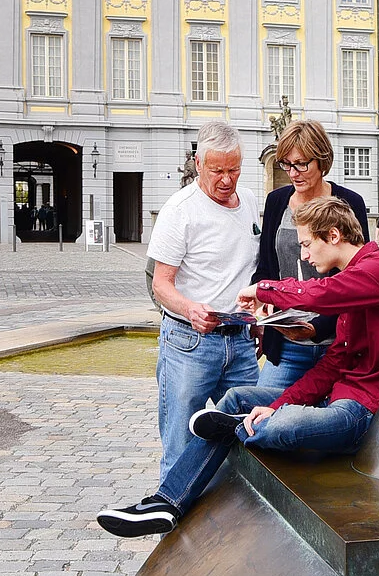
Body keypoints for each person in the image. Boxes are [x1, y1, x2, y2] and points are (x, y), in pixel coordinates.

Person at [106, 194, 379, 536]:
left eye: (306, 244)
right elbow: (332, 367)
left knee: (284, 426)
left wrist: (265, 289)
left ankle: (236, 429)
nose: (302, 255)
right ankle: (167, 502)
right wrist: (275, 404)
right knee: (239, 400)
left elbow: (321, 294)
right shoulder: (354, 285)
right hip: (341, 398)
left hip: (371, 411)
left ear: (333, 236)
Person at [96, 121, 259, 535]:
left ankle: (234, 529)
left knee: (250, 433)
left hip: (240, 340)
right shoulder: (179, 210)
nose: (227, 180)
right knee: (181, 442)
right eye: (217, 170)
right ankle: (175, 538)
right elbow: (160, 283)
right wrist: (190, 309)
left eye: (234, 170)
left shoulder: (252, 205)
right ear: (198, 163)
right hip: (189, 341)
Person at [252, 119, 369, 396]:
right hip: (286, 345)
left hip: (339, 344)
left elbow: (361, 279)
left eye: (302, 164)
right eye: (287, 164)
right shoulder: (276, 202)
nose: (294, 173)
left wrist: (316, 328)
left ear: (322, 161)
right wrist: (264, 304)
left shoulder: (349, 202)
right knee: (258, 421)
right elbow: (266, 267)